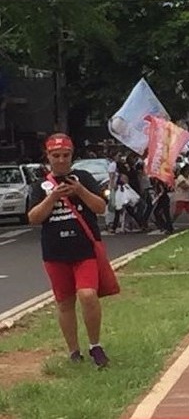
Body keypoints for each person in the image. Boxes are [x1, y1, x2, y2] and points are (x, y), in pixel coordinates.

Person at [27, 133, 110, 367]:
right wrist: (52, 197)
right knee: (64, 302)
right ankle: (74, 352)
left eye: (65, 155)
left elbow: (101, 208)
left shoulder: (83, 178)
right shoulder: (40, 185)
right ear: (48, 157)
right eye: (56, 156)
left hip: (84, 249)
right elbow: (33, 217)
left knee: (87, 295)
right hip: (55, 252)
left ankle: (95, 345)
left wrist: (80, 191)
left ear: (72, 156)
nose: (61, 160)